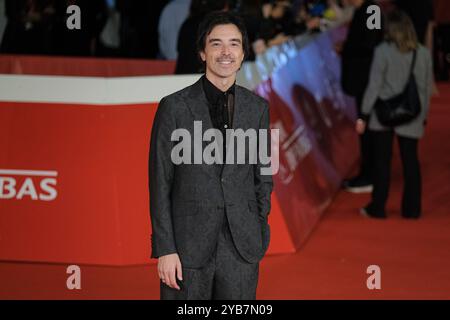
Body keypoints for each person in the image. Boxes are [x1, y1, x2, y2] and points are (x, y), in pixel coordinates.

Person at [149, 11, 273, 299]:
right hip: (187, 248)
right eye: (216, 44)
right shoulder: (174, 107)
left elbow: (262, 176)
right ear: (203, 52)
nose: (226, 52)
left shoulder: (258, 109)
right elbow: (160, 182)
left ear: (243, 54)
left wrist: (258, 228)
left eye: (234, 44)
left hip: (241, 247)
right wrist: (166, 248)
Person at [356, 10, 433, 219]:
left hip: (384, 114)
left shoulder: (382, 51)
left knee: (382, 162)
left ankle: (378, 207)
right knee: (411, 161)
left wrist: (363, 114)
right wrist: (423, 115)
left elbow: (374, 86)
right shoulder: (423, 53)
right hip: (412, 113)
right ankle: (412, 209)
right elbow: (426, 89)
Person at [340, 0, 383, 193]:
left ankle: (370, 175)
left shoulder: (371, 9)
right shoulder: (365, 10)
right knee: (366, 128)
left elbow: (370, 43)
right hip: (363, 78)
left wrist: (346, 48)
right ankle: (369, 172)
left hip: (367, 79)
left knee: (368, 127)